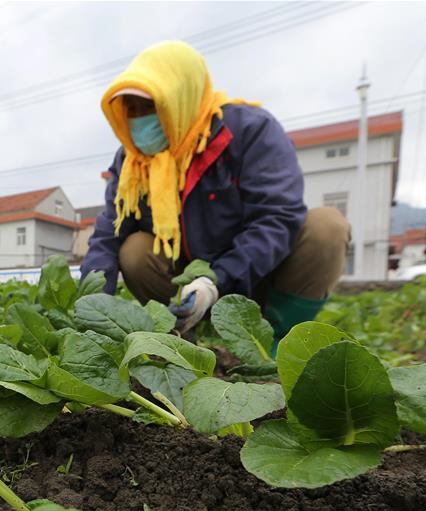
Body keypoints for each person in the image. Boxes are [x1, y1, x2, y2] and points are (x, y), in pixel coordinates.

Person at [80, 41, 350, 349]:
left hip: (259, 278)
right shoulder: (132, 162)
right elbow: (108, 234)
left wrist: (216, 281)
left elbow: (276, 218)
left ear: (181, 98)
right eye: (133, 110)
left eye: (151, 106)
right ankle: (182, 336)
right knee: (134, 250)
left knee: (326, 227)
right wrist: (91, 304)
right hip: (188, 291)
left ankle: (278, 342)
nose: (141, 121)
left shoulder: (250, 131)